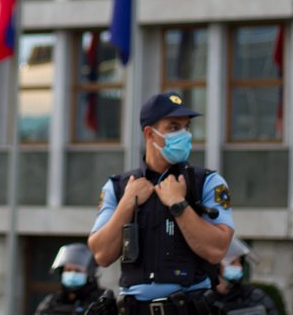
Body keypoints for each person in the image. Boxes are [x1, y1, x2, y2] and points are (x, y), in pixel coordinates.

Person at [88, 91, 235, 315]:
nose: (184, 135)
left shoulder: (207, 182)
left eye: (186, 127)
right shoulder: (118, 187)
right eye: (174, 127)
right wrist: (128, 202)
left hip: (188, 307)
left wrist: (178, 204)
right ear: (150, 133)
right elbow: (101, 254)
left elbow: (217, 250)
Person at [210, 237, 279, 315]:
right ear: (217, 267)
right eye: (232, 263)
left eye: (240, 262)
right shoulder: (204, 299)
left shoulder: (255, 297)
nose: (239, 267)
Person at [34, 243, 109, 315]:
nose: (72, 274)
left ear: (90, 274)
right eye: (68, 270)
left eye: (77, 270)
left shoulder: (101, 302)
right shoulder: (52, 301)